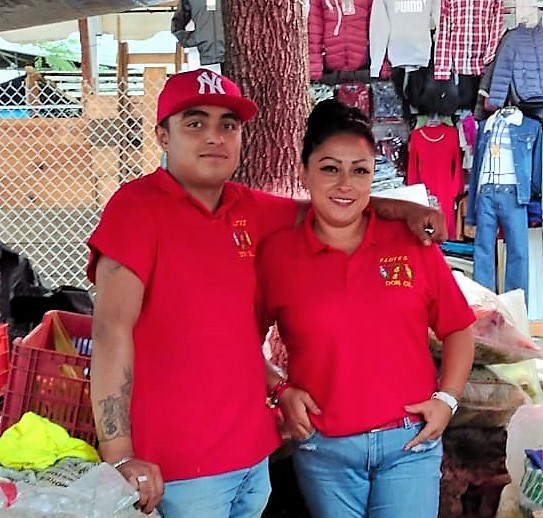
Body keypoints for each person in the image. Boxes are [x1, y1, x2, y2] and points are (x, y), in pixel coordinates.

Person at [86, 69, 448, 517]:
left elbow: (331, 202)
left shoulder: (247, 207)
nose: (214, 137)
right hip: (180, 467)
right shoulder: (136, 208)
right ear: (163, 136)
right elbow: (110, 331)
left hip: (252, 457)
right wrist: (119, 453)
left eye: (228, 125)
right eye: (195, 123)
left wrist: (407, 210)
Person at [256, 99, 475, 518]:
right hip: (324, 448)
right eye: (329, 168)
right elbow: (241, 343)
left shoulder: (412, 242)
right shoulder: (277, 256)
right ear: (303, 172)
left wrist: (447, 399)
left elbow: (458, 327)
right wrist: (280, 391)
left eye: (359, 171)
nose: (345, 184)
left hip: (409, 443)